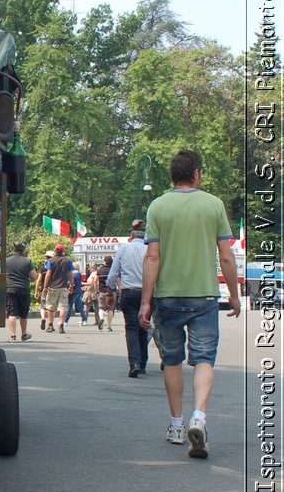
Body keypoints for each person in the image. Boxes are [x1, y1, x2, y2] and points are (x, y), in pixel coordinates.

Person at [139, 149, 240, 458]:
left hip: (168, 297)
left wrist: (145, 302)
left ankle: (176, 425)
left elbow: (152, 257)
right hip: (204, 297)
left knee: (171, 361)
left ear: (173, 175)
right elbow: (225, 255)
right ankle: (200, 416)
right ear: (197, 173)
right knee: (204, 359)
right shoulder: (213, 205)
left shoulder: (157, 206)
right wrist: (234, 295)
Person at [108, 219, 150, 376]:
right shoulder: (149, 249)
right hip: (146, 293)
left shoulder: (124, 249)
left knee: (131, 328)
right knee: (143, 327)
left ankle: (134, 363)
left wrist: (110, 292)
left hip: (128, 292)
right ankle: (143, 363)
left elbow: (113, 273)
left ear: (131, 235)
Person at [5, 241, 37, 342]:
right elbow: (34, 276)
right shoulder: (27, 261)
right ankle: (23, 334)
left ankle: (12, 336)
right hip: (23, 289)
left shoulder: (6, 261)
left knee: (12, 313)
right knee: (23, 314)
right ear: (23, 251)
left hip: (10, 288)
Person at [42, 243, 74, 334]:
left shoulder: (51, 261)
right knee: (63, 307)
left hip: (53, 287)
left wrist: (45, 286)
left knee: (51, 307)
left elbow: (48, 274)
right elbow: (71, 274)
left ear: (55, 251)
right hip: (63, 287)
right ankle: (61, 325)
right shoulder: (67, 261)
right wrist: (71, 285)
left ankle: (50, 325)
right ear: (63, 251)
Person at [97, 254, 116, 330]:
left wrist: (96, 290)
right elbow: (117, 280)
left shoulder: (99, 270)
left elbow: (95, 281)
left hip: (102, 291)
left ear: (104, 262)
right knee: (110, 309)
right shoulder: (113, 270)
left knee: (101, 308)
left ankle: (101, 318)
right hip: (112, 291)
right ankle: (109, 326)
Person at [65, 261, 87, 326]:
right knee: (80, 306)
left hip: (73, 291)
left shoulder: (73, 275)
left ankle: (66, 320)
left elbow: (70, 283)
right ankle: (84, 319)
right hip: (78, 291)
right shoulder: (79, 274)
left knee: (70, 306)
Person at [37, 250, 54, 330]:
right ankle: (50, 324)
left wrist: (36, 290)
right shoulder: (54, 266)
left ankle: (43, 318)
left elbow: (39, 279)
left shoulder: (43, 267)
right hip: (53, 287)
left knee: (43, 305)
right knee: (51, 307)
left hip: (44, 288)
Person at [84, 263, 102, 327]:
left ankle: (84, 319)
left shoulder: (93, 274)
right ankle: (97, 320)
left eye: (90, 267)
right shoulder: (96, 273)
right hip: (95, 291)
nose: (89, 269)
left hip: (90, 291)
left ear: (93, 267)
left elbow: (91, 283)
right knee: (96, 307)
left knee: (87, 306)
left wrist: (82, 283)